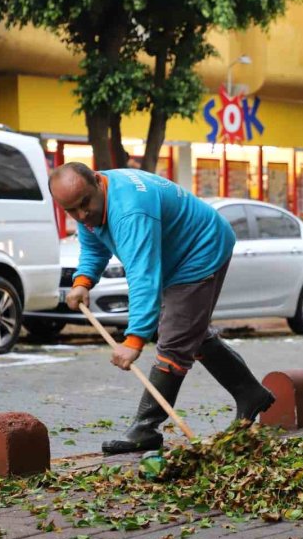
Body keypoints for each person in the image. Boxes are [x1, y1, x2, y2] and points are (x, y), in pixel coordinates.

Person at [49, 163, 275, 454]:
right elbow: (94, 243)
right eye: (71, 211)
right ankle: (250, 393)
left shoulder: (131, 211)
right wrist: (83, 281)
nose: (81, 215)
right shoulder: (90, 196)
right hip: (177, 252)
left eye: (84, 205)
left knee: (174, 340)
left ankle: (145, 429)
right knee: (189, 332)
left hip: (200, 250)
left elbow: (143, 277)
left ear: (96, 181)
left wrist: (134, 340)